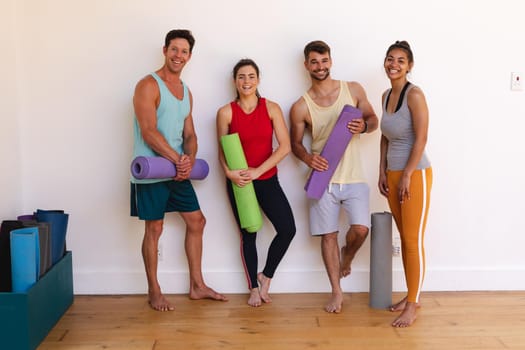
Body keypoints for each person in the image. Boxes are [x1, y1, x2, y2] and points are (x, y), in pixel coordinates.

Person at [130, 29, 227, 311]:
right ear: (164, 50)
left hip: (176, 169)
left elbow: (190, 135)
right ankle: (154, 290)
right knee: (155, 228)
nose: (178, 55)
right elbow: (148, 132)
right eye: (174, 49)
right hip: (151, 168)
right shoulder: (147, 85)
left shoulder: (186, 92)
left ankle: (197, 286)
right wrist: (178, 159)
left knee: (197, 221)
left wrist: (189, 159)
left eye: (184, 51)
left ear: (190, 56)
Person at [290, 40, 378, 313]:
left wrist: (363, 126)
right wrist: (308, 158)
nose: (320, 66)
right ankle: (336, 292)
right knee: (328, 236)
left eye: (324, 60)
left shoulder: (352, 89)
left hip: (353, 177)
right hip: (322, 180)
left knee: (361, 229)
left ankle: (347, 256)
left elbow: (374, 120)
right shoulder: (301, 106)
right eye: (314, 62)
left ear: (331, 60)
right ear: (306, 65)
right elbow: (295, 145)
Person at [216, 58, 296, 307]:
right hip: (240, 182)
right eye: (241, 76)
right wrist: (229, 173)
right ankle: (252, 287)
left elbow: (285, 147)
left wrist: (258, 170)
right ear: (234, 81)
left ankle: (266, 276)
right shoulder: (226, 112)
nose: (246, 81)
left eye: (251, 76)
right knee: (249, 233)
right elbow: (222, 149)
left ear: (258, 79)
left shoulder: (271, 108)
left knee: (288, 229)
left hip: (267, 178)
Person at [378, 40, 432, 327]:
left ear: (409, 66)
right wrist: (382, 171)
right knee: (404, 237)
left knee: (412, 241)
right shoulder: (386, 94)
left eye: (400, 60)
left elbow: (421, 138)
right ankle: (411, 294)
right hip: (394, 173)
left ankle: (413, 303)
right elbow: (385, 136)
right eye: (390, 59)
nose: (394, 64)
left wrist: (409, 174)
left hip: (416, 174)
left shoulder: (415, 95)